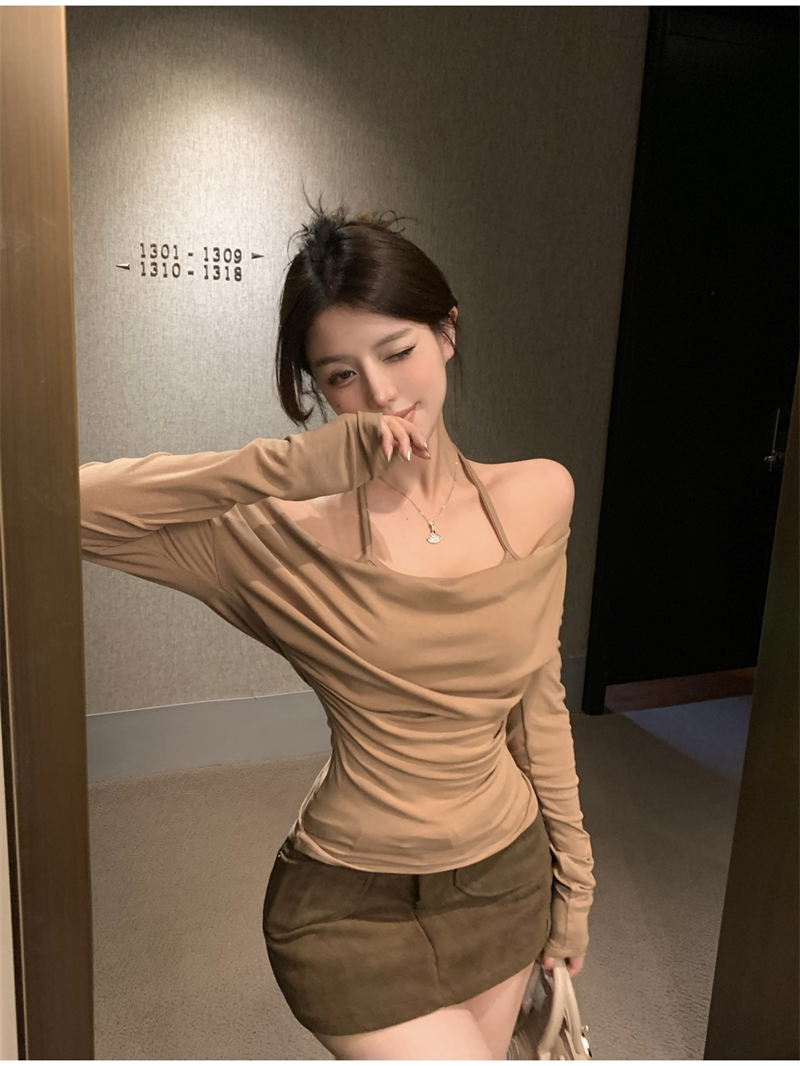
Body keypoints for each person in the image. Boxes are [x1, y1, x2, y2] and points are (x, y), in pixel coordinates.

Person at [79, 195, 595, 1060]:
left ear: (447, 332)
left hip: (506, 878)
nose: (382, 393)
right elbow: (53, 503)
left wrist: (573, 887)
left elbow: (537, 706)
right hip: (348, 909)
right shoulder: (284, 538)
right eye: (341, 375)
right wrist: (288, 467)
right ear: (317, 390)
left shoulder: (540, 496)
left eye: (397, 351)